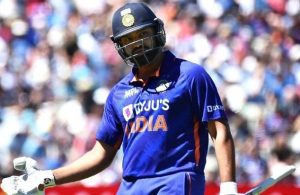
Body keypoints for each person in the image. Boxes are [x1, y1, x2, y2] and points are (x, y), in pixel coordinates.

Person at [1, 2, 237, 195]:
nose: (137, 45)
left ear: (157, 32)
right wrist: (49, 178)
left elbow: (220, 132)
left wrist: (228, 187)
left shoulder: (191, 75)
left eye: (143, 35)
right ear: (119, 47)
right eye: (128, 40)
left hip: (176, 181)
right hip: (131, 186)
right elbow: (101, 154)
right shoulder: (119, 93)